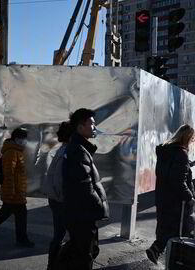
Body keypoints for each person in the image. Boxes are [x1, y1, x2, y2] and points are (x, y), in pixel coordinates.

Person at [62, 108, 109, 270]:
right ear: (80, 127)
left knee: (84, 251)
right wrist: (98, 206)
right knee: (84, 255)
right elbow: (84, 186)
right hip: (82, 214)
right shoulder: (78, 151)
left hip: (80, 213)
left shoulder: (79, 148)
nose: (94, 127)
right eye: (92, 124)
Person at [146, 124, 195, 264]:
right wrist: (189, 196)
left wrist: (189, 164)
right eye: (192, 139)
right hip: (177, 202)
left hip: (164, 198)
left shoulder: (167, 151)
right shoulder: (181, 154)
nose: (192, 142)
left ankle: (156, 250)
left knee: (165, 227)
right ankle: (180, 261)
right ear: (186, 137)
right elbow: (178, 180)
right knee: (182, 231)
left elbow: (172, 171)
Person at [0, 127, 34, 248]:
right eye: (23, 138)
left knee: (5, 213)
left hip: (15, 191)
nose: (25, 141)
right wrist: (11, 192)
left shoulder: (15, 151)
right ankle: (22, 239)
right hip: (14, 192)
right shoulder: (12, 152)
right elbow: (9, 173)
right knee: (19, 214)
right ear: (17, 139)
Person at [40, 121, 72, 269]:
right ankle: (54, 265)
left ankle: (53, 265)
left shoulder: (63, 149)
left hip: (57, 199)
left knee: (59, 235)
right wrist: (64, 199)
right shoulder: (67, 152)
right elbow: (59, 179)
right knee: (61, 235)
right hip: (61, 201)